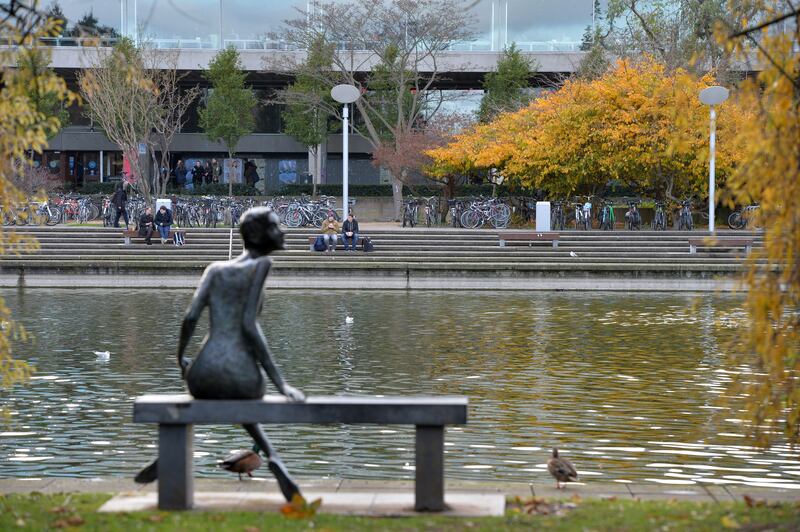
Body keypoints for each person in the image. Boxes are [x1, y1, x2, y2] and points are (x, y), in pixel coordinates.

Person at [135, 207, 306, 504]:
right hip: (242, 375)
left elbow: (189, 318)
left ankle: (170, 453)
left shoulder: (214, 269)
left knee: (214, 394)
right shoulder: (261, 265)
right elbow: (249, 327)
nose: (283, 232)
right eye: (276, 227)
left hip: (202, 373)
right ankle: (274, 456)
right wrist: (281, 384)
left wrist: (181, 359)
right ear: (257, 235)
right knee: (240, 395)